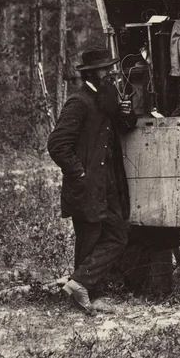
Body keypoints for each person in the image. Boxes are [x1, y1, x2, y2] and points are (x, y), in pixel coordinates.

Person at [47, 46, 138, 314]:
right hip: (86, 185)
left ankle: (80, 284)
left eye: (111, 68)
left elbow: (126, 126)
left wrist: (126, 112)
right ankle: (84, 294)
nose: (111, 73)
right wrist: (80, 172)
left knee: (117, 235)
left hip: (106, 183)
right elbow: (57, 144)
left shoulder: (105, 98)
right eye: (105, 70)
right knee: (89, 238)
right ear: (91, 73)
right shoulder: (79, 102)